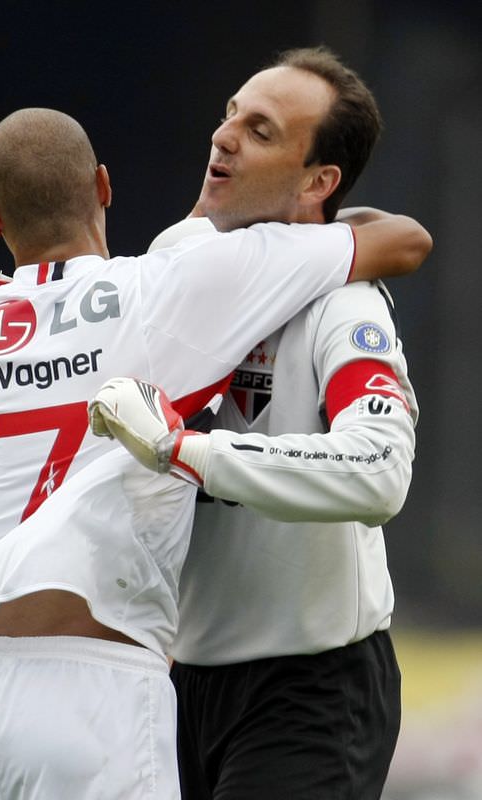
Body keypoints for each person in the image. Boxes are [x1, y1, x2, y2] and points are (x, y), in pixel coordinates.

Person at [0, 106, 429, 799]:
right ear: (104, 186)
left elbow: (41, 331)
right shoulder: (160, 294)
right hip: (94, 685)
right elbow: (402, 240)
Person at [90, 46, 427, 799]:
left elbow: (380, 471)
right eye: (230, 115)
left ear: (318, 183)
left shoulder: (347, 304)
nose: (224, 136)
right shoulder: (180, 254)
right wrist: (9, 295)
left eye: (261, 130)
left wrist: (186, 450)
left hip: (311, 690)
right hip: (178, 683)